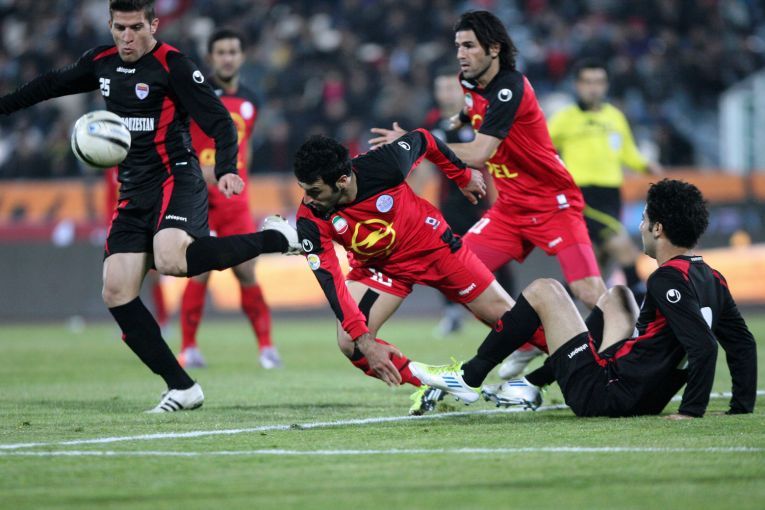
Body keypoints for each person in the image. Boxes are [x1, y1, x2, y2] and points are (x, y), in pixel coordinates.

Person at [0, 0, 299, 412]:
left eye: (136, 28)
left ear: (154, 25)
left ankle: (274, 239)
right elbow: (51, 84)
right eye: (119, 28)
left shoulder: (174, 65)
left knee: (171, 258)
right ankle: (182, 387)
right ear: (109, 25)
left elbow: (220, 122)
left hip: (176, 176)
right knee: (116, 290)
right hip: (133, 188)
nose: (127, 37)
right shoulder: (101, 62)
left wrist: (228, 168)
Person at [371, 11, 607, 379]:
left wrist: (419, 143)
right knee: (455, 274)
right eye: (458, 46)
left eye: (468, 46)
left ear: (494, 48)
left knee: (588, 289)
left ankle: (637, 346)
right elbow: (469, 112)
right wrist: (458, 122)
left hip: (552, 202)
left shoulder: (510, 87)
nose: (460, 55)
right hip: (510, 207)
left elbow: (480, 153)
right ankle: (528, 341)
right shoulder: (469, 82)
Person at [411, 179, 758, 418]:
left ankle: (469, 375)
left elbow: (704, 346)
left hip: (606, 394)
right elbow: (741, 343)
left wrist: (691, 411)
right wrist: (741, 406)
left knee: (545, 289)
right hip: (638, 392)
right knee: (618, 295)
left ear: (658, 228)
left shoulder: (666, 278)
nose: (640, 227)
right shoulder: (711, 277)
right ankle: (530, 383)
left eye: (644, 219)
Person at [293, 129, 517, 415]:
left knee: (510, 320)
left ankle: (563, 366)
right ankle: (432, 380)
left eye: (314, 191)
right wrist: (365, 340)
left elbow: (423, 138)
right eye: (304, 190)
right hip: (380, 268)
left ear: (342, 180)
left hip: (433, 248)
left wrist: (462, 176)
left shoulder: (384, 164)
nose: (307, 199)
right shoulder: (310, 218)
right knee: (351, 342)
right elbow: (331, 283)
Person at [178, 28, 281, 370]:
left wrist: (239, 177)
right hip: (199, 200)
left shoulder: (252, 100)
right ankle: (189, 348)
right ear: (210, 57)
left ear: (242, 56)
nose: (227, 58)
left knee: (246, 271)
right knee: (199, 271)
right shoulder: (195, 93)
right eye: (220, 52)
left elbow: (244, 147)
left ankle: (267, 348)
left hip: (235, 201)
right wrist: (198, 171)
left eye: (232, 52)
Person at [547, 59, 663, 304]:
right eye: (587, 82)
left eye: (598, 82)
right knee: (621, 243)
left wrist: (645, 166)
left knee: (596, 262)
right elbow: (543, 149)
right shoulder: (564, 119)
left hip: (611, 194)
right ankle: (643, 303)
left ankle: (558, 306)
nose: (593, 88)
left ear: (606, 85)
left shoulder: (615, 117)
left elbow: (627, 152)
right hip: (581, 195)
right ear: (577, 85)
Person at [420, 70, 515, 337]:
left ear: (462, 91)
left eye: (451, 88)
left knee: (498, 258)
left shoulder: (477, 119)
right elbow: (424, 165)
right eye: (441, 88)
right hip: (448, 203)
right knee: (444, 257)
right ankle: (452, 313)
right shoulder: (432, 121)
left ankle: (512, 309)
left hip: (480, 200)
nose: (446, 94)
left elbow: (489, 155)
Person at [105, 166, 169, 332]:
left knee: (154, 275)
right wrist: (110, 225)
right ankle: (128, 324)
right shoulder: (111, 167)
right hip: (123, 226)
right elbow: (110, 198)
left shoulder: (143, 159)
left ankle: (163, 319)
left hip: (146, 221)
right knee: (125, 279)